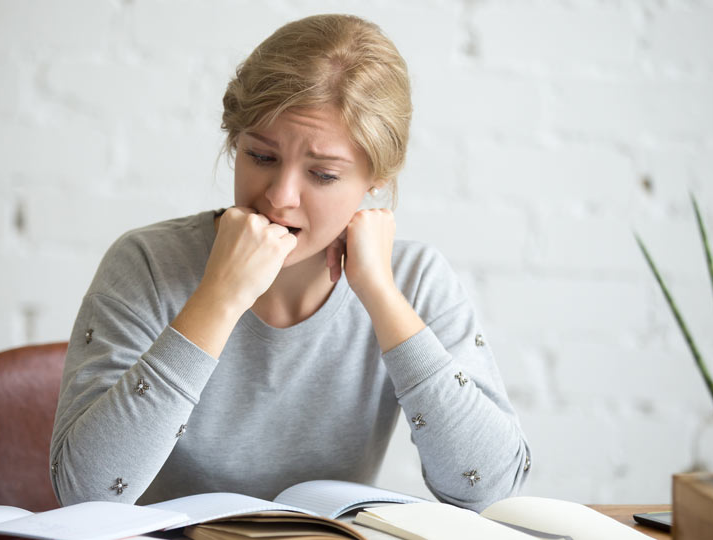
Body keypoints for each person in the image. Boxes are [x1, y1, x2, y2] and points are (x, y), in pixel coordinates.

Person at [49, 13, 531, 513]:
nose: (279, 198)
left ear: (377, 178)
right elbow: (85, 492)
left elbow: (488, 487)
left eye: (322, 174)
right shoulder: (148, 263)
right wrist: (218, 297)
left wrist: (383, 299)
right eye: (261, 157)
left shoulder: (416, 281)